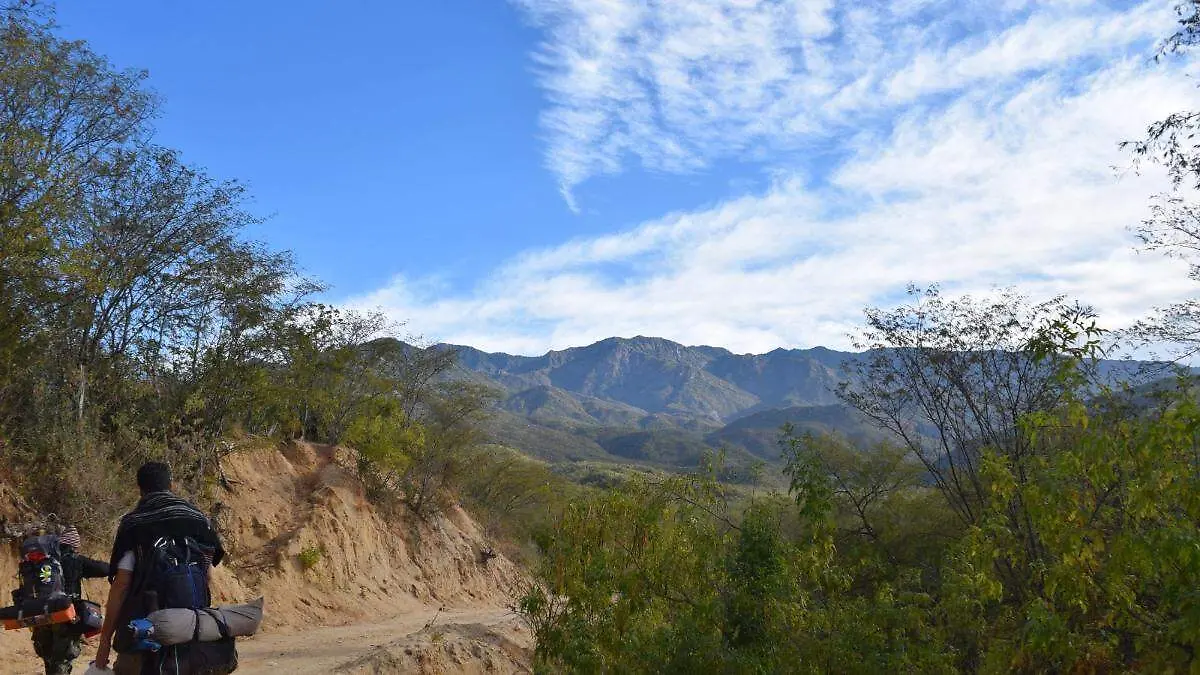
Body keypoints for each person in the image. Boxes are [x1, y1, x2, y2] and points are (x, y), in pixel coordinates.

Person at [92, 462, 225, 675]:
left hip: (145, 628)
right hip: (190, 628)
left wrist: (105, 641)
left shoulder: (134, 523)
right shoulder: (199, 519)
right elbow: (207, 575)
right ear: (171, 485)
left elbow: (121, 585)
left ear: (140, 489)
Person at [29, 525, 109, 675]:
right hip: (65, 615)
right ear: (74, 545)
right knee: (62, 659)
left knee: (48, 656)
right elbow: (104, 569)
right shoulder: (76, 560)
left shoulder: (44, 560)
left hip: (43, 614)